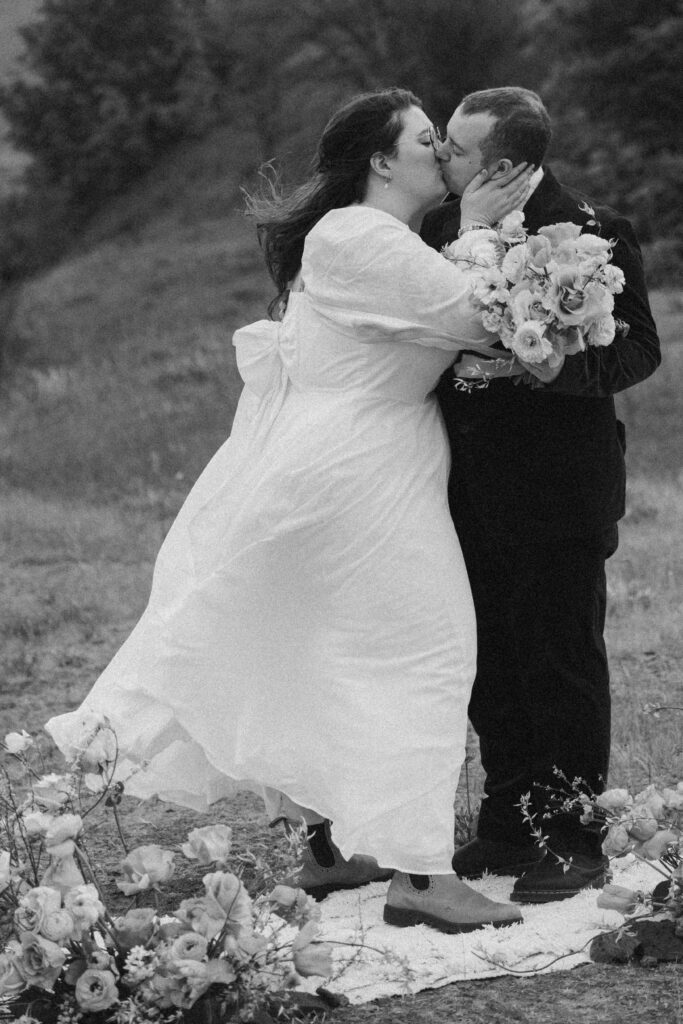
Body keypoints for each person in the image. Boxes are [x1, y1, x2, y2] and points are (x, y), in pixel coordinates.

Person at [47, 88, 533, 934]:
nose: (445, 157)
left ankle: (335, 847)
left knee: (328, 647)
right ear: (382, 161)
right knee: (428, 649)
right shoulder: (357, 236)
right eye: (427, 141)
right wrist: (484, 228)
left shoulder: (378, 237)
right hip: (358, 469)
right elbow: (480, 319)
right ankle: (419, 877)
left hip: (367, 459)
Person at [421, 87, 661, 903]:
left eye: (453, 147)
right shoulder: (436, 233)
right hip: (460, 486)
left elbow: (639, 353)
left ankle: (570, 837)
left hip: (560, 488)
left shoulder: (596, 232)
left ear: (508, 163)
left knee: (560, 659)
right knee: (490, 662)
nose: (438, 157)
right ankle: (507, 824)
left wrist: (565, 368)